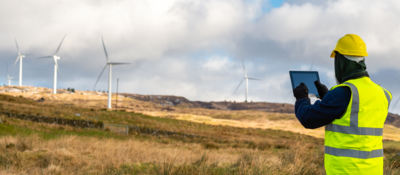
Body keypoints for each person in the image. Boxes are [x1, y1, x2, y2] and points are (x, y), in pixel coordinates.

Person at [293, 34, 392, 175]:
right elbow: (353, 114)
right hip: (373, 170)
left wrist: (301, 98)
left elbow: (308, 118)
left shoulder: (344, 92)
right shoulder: (382, 93)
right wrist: (327, 96)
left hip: (346, 171)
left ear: (341, 61)